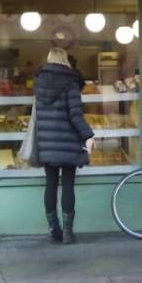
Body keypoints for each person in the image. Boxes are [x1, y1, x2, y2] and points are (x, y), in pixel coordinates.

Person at [34, 47, 95, 244]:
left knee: (50, 184)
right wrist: (88, 135)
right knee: (68, 185)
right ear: (65, 60)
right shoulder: (71, 83)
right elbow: (75, 115)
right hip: (68, 143)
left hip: (47, 142)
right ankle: (68, 233)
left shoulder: (39, 83)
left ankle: (54, 230)